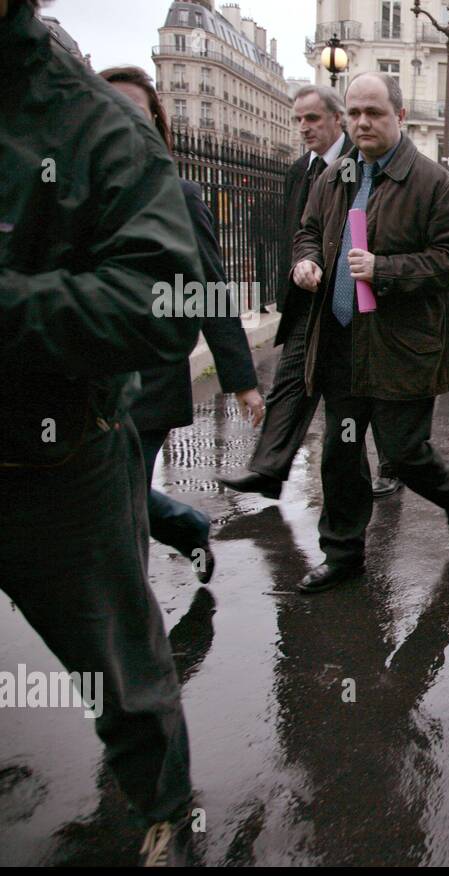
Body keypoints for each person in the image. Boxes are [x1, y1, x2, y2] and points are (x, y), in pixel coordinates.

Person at [0, 0, 201, 865]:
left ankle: (167, 809)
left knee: (119, 665)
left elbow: (168, 300)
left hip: (53, 458)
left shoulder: (91, 125)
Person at [290, 72, 449, 593]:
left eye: (374, 112)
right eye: (354, 113)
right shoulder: (336, 175)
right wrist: (305, 261)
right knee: (341, 455)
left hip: (401, 348)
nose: (362, 122)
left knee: (403, 452)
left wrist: (385, 269)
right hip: (343, 343)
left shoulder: (430, 181)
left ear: (400, 117)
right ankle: (343, 554)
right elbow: (308, 230)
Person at [101, 66, 264, 584]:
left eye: (136, 110)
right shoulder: (72, 190)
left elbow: (210, 290)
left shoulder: (179, 195)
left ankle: (130, 639)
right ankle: (183, 524)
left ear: (155, 122)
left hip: (147, 381)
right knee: (108, 496)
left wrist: (241, 380)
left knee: (116, 508)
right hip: (84, 378)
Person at [219, 85, 402, 501]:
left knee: (363, 394)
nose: (304, 127)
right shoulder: (299, 169)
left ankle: (392, 465)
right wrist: (300, 265)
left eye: (312, 119)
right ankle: (268, 468)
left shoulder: (364, 161)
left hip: (362, 301)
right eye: (298, 119)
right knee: (290, 380)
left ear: (338, 119)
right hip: (311, 300)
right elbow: (300, 233)